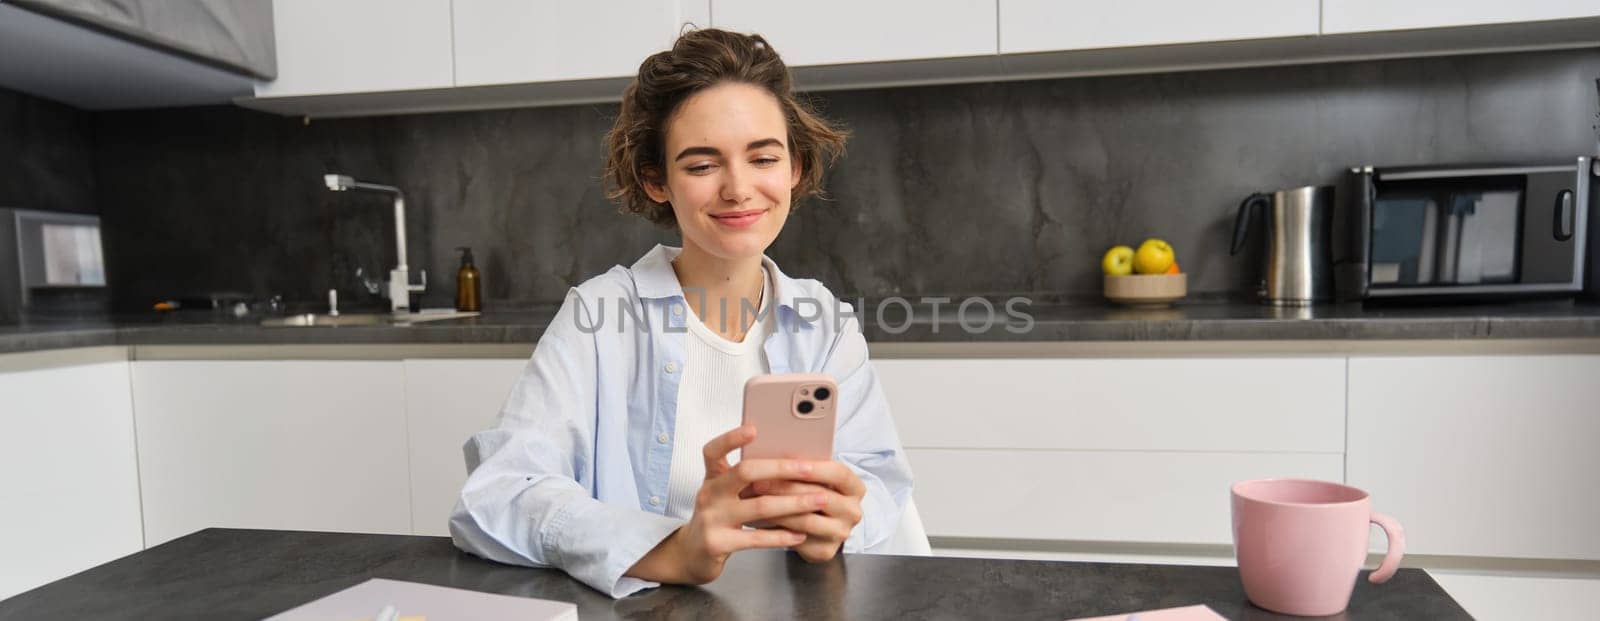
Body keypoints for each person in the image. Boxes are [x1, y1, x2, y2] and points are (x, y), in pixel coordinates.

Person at [448, 28, 913, 598]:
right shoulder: (599, 315)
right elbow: (497, 495)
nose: (739, 189)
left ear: (794, 168)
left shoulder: (826, 323)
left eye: (763, 157)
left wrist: (836, 530)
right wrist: (675, 549)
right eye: (700, 166)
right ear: (656, 181)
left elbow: (881, 484)